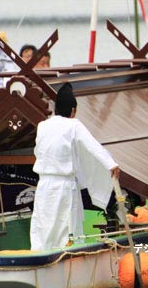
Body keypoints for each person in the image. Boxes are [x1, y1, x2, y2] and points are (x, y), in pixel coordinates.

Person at [30, 82, 120, 251]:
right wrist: (111, 164)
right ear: (73, 110)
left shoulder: (42, 126)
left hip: (44, 186)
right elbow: (91, 145)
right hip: (65, 186)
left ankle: (38, 257)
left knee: (44, 225)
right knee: (68, 228)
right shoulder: (73, 125)